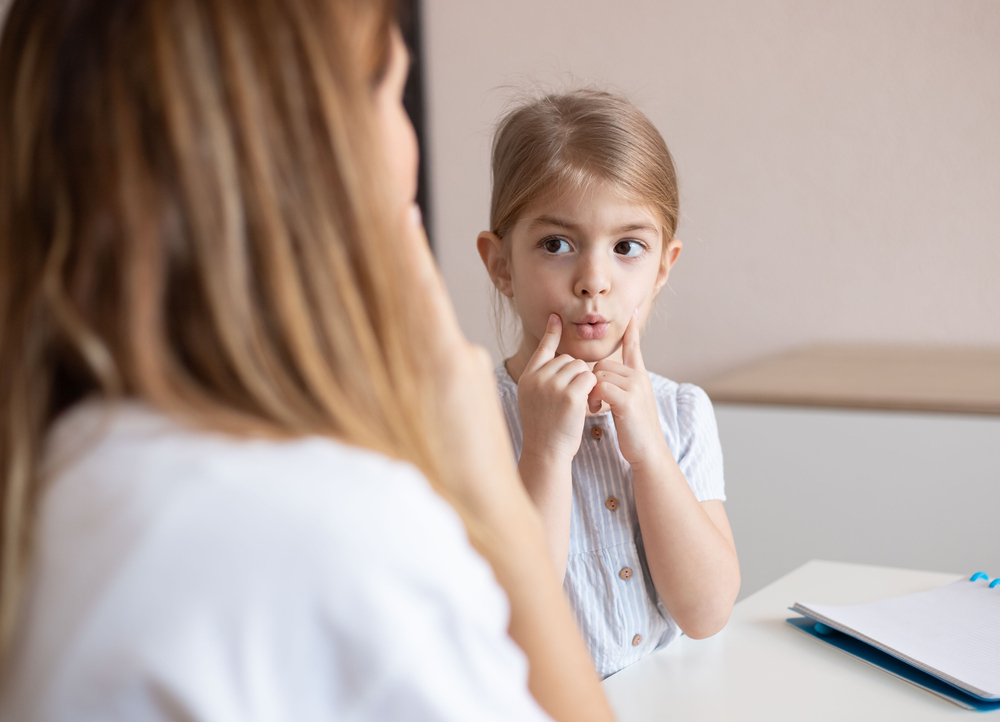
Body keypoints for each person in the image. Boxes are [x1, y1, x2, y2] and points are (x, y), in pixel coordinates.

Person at [0, 1, 616, 720]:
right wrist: (493, 498)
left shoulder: (60, 475)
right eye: (393, 93)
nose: (593, 281)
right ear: (316, 155)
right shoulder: (333, 531)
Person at [477, 90, 742, 679]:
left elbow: (705, 611)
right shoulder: (471, 419)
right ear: (501, 265)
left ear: (663, 267)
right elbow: (504, 622)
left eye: (627, 248)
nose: (594, 281)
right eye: (556, 245)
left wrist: (650, 452)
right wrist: (544, 452)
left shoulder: (679, 413)